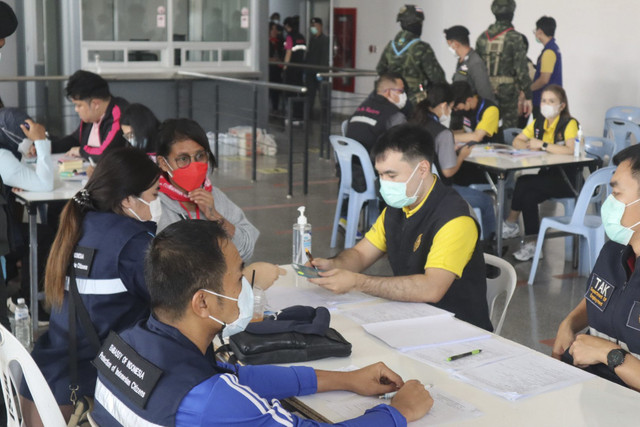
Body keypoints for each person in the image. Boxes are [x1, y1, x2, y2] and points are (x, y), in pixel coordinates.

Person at [91, 220, 434, 426]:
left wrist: (347, 379)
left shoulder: (129, 341)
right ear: (203, 302)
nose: (247, 287)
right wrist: (399, 413)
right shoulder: (209, 401)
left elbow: (237, 377)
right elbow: (227, 394)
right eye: (239, 278)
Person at [19, 147, 161, 426]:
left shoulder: (80, 222)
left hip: (42, 372)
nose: (158, 203)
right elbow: (172, 304)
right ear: (128, 199)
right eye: (155, 195)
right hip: (85, 385)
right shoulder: (132, 243)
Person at [310, 124, 492, 330]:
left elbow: (431, 288)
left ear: (422, 169)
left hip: (458, 331)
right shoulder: (398, 207)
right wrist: (334, 266)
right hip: (413, 317)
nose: (384, 183)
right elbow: (360, 255)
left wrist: (357, 282)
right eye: (380, 175)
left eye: (391, 175)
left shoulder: (455, 219)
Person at [552, 144, 640, 390]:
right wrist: (570, 322)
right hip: (590, 389)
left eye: (618, 194)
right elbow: (604, 296)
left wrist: (608, 354)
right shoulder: (614, 252)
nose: (609, 203)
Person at [155, 118, 259, 261]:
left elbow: (246, 249)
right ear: (164, 163)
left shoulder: (215, 196)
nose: (194, 165)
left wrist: (216, 217)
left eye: (200, 156)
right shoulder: (153, 205)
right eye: (183, 159)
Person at [502, 85, 579, 261]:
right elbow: (518, 140)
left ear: (562, 105)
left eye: (551, 101)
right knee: (528, 195)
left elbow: (570, 150)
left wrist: (542, 145)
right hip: (548, 176)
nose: (546, 104)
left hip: (567, 180)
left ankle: (511, 223)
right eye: (544, 100)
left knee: (524, 182)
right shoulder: (539, 122)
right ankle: (532, 245)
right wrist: (528, 145)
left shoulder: (569, 123)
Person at [411, 84, 496, 239]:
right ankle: (490, 248)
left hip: (413, 185)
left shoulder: (415, 121)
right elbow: (448, 172)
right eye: (450, 107)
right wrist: (461, 155)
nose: (450, 112)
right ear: (443, 106)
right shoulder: (442, 133)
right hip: (437, 190)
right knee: (486, 201)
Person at [345, 73, 407, 192]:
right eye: (401, 91)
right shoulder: (394, 116)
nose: (404, 95)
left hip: (348, 171)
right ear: (388, 92)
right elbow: (402, 148)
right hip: (372, 177)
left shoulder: (361, 107)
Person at [476, 0, 532, 128]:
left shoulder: (482, 38)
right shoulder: (515, 38)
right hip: (509, 94)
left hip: (485, 92)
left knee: (486, 127)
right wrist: (528, 96)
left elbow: (476, 68)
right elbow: (521, 70)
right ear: (512, 13)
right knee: (508, 131)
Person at [51, 70, 129, 162]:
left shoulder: (119, 113)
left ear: (95, 104)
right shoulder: (92, 116)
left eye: (79, 105)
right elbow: (75, 139)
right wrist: (47, 146)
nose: (76, 109)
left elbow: (105, 154)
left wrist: (81, 151)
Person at [376, 5, 445, 105]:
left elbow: (380, 70)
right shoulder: (422, 48)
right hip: (416, 101)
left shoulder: (390, 46)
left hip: (392, 99)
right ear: (416, 23)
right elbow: (438, 78)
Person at [444, 25, 495, 103]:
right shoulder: (462, 61)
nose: (449, 48)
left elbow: (485, 95)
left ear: (456, 44)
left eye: (449, 44)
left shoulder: (475, 62)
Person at [531, 16, 562, 118]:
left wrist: (528, 90)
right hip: (551, 100)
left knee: (542, 133)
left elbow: (544, 79)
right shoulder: (553, 48)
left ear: (539, 31)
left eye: (536, 30)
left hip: (545, 103)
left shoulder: (549, 51)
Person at [282, 16, 306, 123]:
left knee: (290, 93)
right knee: (299, 93)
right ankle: (299, 117)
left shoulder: (289, 37)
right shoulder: (301, 37)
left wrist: (284, 67)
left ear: (287, 26)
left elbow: (288, 53)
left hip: (291, 69)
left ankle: (291, 117)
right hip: (300, 68)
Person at [305, 17, 330, 113]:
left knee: (323, 96)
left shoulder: (325, 40)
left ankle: (325, 117)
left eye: (314, 26)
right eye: (311, 26)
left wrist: (322, 73)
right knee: (310, 95)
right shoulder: (312, 39)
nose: (313, 28)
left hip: (320, 73)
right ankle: (308, 115)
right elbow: (309, 55)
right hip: (310, 72)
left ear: (320, 26)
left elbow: (324, 57)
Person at [268, 22, 284, 112]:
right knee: (269, 91)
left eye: (276, 29)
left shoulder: (280, 42)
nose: (275, 31)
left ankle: (275, 109)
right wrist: (271, 59)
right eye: (273, 29)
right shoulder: (266, 42)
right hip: (270, 71)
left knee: (276, 92)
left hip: (277, 71)